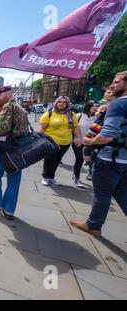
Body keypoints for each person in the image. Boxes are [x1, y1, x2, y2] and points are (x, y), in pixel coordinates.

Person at [70, 71, 127, 237]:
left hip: (110, 158)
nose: (112, 85)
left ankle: (93, 225)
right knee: (123, 193)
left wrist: (90, 141)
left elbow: (108, 135)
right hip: (124, 160)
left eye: (116, 82)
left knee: (103, 193)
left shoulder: (119, 104)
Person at [0, 86, 30, 220]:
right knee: (14, 179)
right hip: (18, 148)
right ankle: (9, 210)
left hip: (5, 147)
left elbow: (1, 128)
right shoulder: (20, 108)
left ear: (8, 94)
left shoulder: (8, 107)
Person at [38, 96, 83, 186]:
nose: (62, 103)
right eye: (60, 102)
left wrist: (78, 138)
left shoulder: (71, 114)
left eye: (64, 102)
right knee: (49, 160)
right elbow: (41, 127)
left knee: (57, 160)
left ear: (67, 104)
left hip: (65, 142)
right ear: (56, 103)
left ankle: (51, 177)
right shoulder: (49, 113)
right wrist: (42, 140)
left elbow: (75, 126)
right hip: (50, 141)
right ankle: (45, 177)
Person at [72, 100, 97, 188]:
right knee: (79, 159)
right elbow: (73, 128)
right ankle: (76, 177)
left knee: (90, 160)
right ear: (88, 106)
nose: (95, 108)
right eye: (93, 106)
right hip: (78, 142)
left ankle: (88, 174)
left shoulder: (97, 118)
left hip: (90, 143)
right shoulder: (79, 116)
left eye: (97, 106)